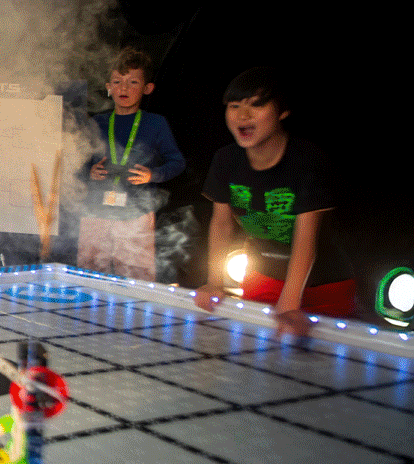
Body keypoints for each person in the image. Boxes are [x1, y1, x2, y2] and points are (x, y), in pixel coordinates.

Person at [194, 67, 355, 337]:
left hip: (324, 286)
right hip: (262, 278)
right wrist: (214, 283)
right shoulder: (225, 160)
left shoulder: (307, 161)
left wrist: (290, 303)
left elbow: (305, 239)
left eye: (256, 105)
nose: (243, 115)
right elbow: (221, 224)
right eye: (234, 106)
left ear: (283, 111)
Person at [78, 48, 185, 282]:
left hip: (136, 212)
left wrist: (153, 175)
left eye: (133, 82)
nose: (123, 88)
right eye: (117, 82)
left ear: (148, 88)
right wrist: (90, 172)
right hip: (95, 211)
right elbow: (77, 163)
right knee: (89, 274)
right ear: (109, 87)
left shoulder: (156, 123)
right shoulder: (98, 122)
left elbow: (177, 162)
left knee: (137, 278)